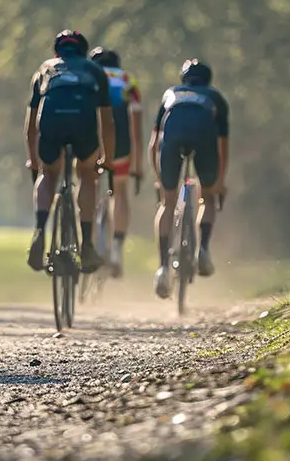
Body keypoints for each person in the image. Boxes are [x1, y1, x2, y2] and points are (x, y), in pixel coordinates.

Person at [25, 30, 117, 274]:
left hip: (50, 123)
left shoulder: (45, 68)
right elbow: (107, 121)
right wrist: (107, 159)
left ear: (57, 52)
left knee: (48, 174)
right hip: (83, 124)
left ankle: (40, 231)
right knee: (87, 174)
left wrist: (35, 163)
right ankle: (86, 244)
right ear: (83, 51)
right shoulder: (95, 71)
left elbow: (31, 125)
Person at [149, 59, 230, 299]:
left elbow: (154, 143)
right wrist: (218, 183)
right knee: (206, 196)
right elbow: (222, 144)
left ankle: (163, 267)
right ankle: (202, 250)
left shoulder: (171, 93)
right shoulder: (215, 98)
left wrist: (159, 179)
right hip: (204, 137)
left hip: (172, 138)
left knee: (168, 203)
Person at [88, 45, 143, 277]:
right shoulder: (128, 80)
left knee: (87, 183)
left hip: (90, 135)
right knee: (120, 190)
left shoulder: (87, 75)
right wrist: (138, 165)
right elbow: (136, 127)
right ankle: (117, 249)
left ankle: (86, 244)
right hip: (120, 137)